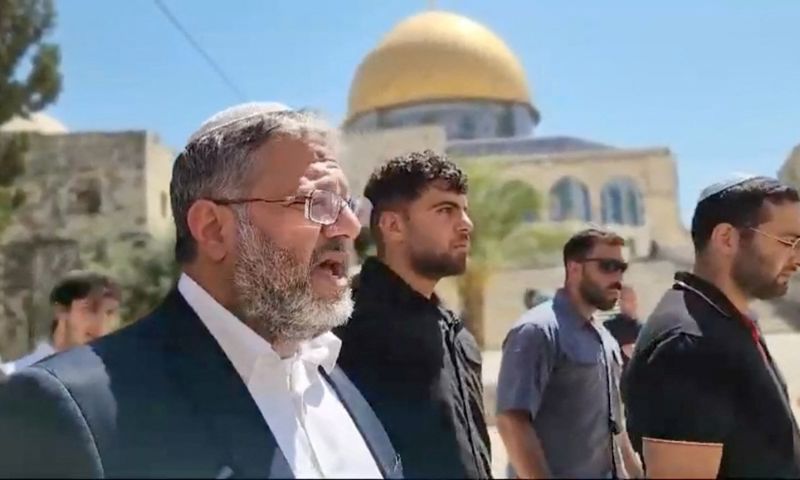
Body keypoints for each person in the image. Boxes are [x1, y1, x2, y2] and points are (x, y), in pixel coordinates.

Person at [0, 103, 402, 478]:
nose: (349, 226)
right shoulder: (73, 411)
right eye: (318, 203)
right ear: (212, 228)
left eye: (348, 204)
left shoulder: (335, 380)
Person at [623, 175, 800, 478]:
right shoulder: (688, 344)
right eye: (788, 241)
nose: (797, 258)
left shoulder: (727, 320)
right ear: (726, 238)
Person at [335, 151, 492, 478]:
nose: (466, 224)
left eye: (465, 210)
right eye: (446, 210)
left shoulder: (454, 332)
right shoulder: (343, 326)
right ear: (393, 225)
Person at [496, 228, 643, 479]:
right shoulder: (538, 330)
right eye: (607, 266)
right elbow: (512, 422)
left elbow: (616, 430)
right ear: (574, 269)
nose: (617, 277)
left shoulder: (605, 339)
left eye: (621, 267)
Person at [1, 270, 121, 376]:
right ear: (61, 310)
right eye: (89, 309)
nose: (101, 323)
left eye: (109, 312)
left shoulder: (116, 384)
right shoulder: (12, 378)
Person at [602, 286, 642, 366]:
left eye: (634, 300)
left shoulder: (641, 328)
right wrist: (621, 349)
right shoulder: (609, 327)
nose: (633, 304)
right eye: (629, 301)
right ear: (620, 303)